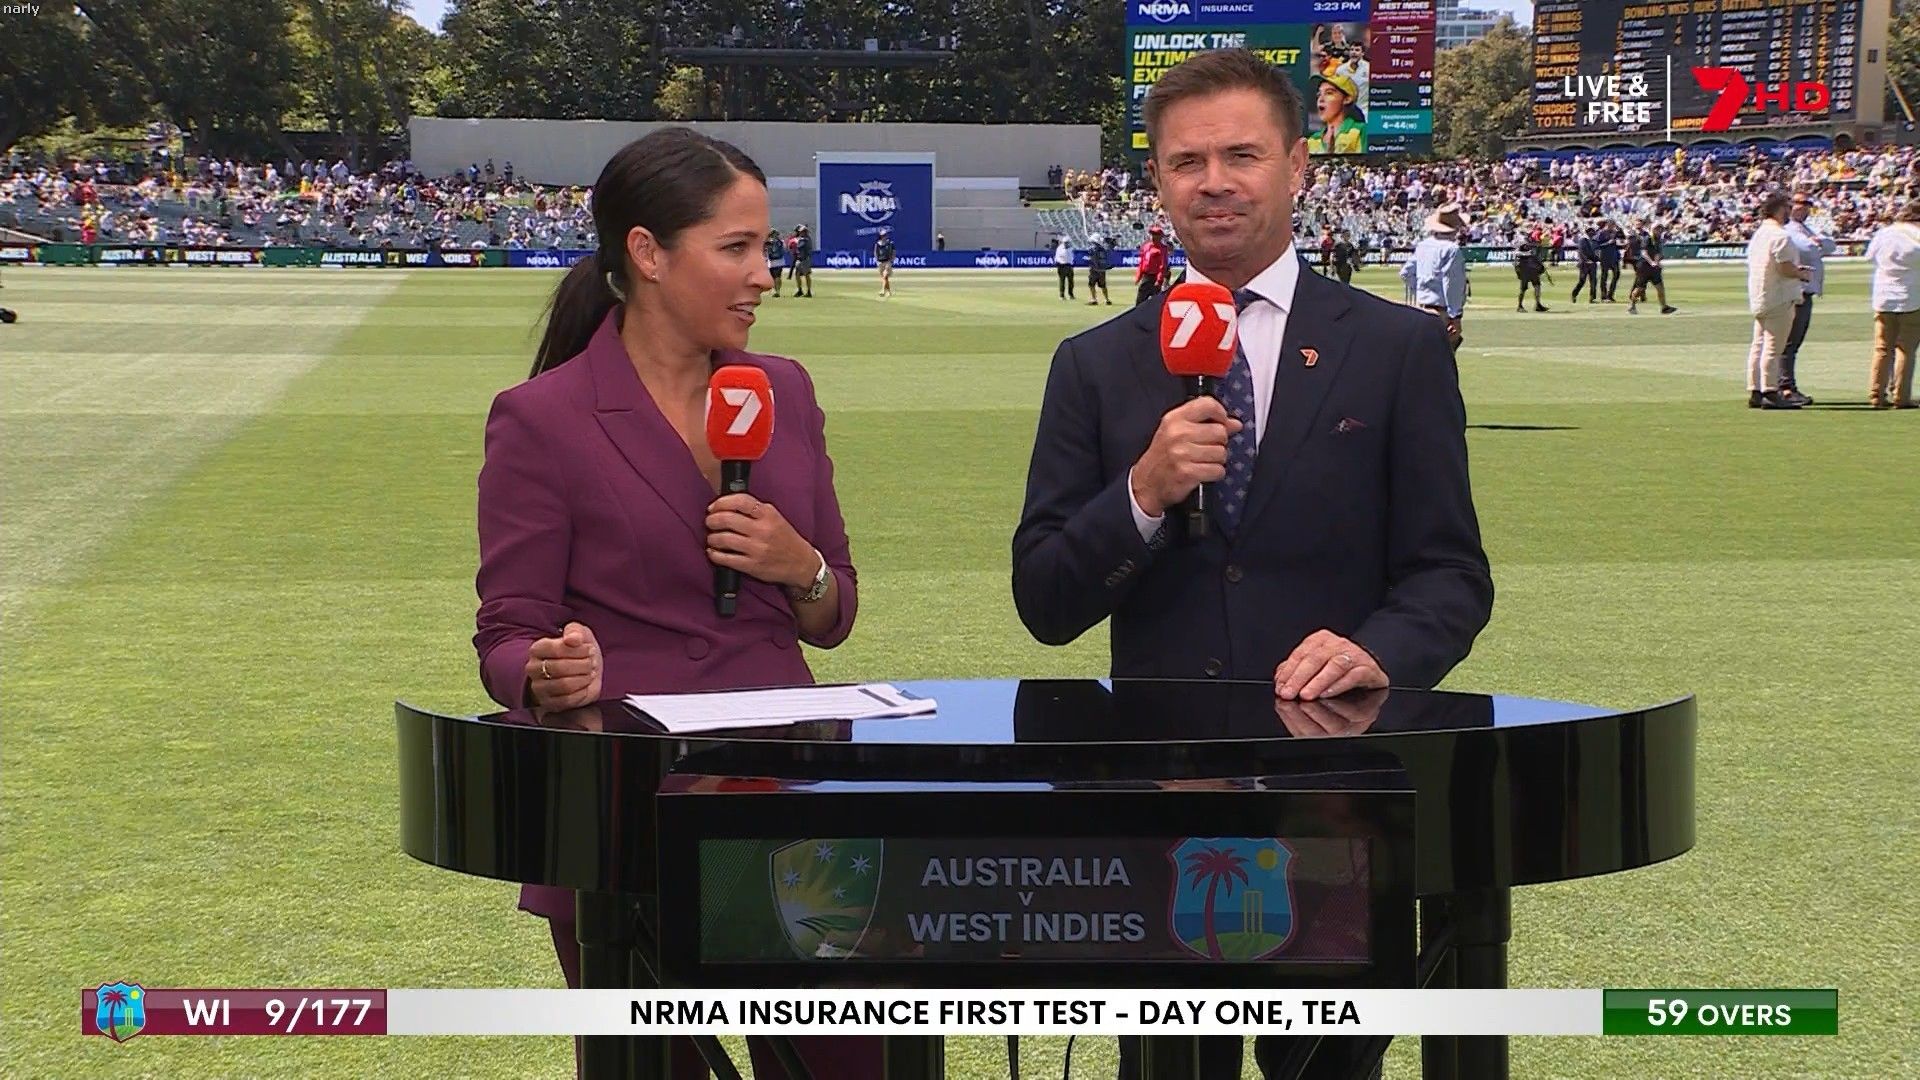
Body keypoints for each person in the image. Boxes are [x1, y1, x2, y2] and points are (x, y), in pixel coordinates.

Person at [1011, 49, 1492, 1080]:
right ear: (1158, 180)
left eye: (1242, 155)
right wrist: (1142, 495)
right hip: (1159, 800)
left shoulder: (1397, 350)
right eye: (1187, 162)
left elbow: (1450, 576)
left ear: (1299, 166)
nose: (1214, 182)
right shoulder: (1095, 365)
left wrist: (1376, 651)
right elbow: (1044, 600)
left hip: (1336, 799)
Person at [473, 127, 874, 1079]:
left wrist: (800, 566)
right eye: (736, 248)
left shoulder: (784, 390)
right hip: (623, 810)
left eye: (765, 246)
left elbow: (836, 612)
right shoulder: (543, 419)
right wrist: (543, 671)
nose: (765, 274)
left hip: (786, 798)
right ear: (648, 254)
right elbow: (506, 632)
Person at [1744, 189, 1810, 410]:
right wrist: (1801, 274)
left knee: (1758, 345)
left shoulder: (1759, 234)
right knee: (1774, 346)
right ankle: (1770, 391)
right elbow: (1784, 268)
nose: (1790, 212)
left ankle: (1755, 390)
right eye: (1788, 208)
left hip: (1760, 295)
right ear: (1780, 209)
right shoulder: (1781, 236)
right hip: (1779, 296)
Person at [1779, 192, 1835, 405]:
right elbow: (1808, 248)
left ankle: (1781, 385)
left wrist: (1818, 242)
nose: (1804, 207)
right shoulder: (1788, 229)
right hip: (1796, 291)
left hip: (1804, 290)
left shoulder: (1807, 229)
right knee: (1789, 342)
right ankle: (1785, 387)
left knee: (1792, 341)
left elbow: (1830, 245)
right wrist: (1817, 244)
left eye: (1808, 204)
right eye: (1800, 203)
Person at [1864, 199, 1920, 409]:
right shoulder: (1916, 236)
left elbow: (1869, 257)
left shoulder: (1884, 234)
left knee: (1882, 348)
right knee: (1906, 349)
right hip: (1911, 297)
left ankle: (1876, 394)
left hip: (1884, 297)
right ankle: (1901, 396)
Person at [1412, 203, 1468, 352]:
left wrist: (1418, 294)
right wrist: (1455, 316)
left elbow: (1406, 273)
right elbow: (1450, 283)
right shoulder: (1451, 249)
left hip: (1421, 308)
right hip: (1441, 312)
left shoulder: (1422, 245)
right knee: (1442, 359)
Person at [1626, 221, 1676, 317]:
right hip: (1644, 267)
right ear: (1653, 230)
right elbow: (1644, 253)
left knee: (1660, 288)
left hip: (1654, 268)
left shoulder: (1658, 240)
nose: (1660, 231)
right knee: (1640, 289)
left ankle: (1664, 307)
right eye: (1658, 229)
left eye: (1661, 229)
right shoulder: (1647, 239)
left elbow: (1658, 253)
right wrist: (1651, 262)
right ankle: (1632, 305)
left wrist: (1657, 262)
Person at [1308, 72, 1365, 154]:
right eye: (1319, 94)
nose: (1321, 99)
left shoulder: (1361, 131)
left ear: (1347, 99)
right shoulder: (1312, 140)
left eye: (1329, 93)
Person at [1134, 223, 1170, 305]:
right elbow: (1142, 262)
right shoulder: (1146, 246)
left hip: (1155, 277)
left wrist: (1159, 280)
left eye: (1156, 235)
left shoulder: (1162, 249)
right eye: (1152, 234)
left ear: (1160, 236)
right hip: (1146, 277)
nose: (1153, 236)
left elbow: (1162, 265)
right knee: (1140, 302)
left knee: (1155, 303)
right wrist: (1138, 276)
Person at [1514, 228, 1547, 312]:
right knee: (1523, 288)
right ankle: (1520, 306)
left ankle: (1538, 304)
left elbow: (1532, 255)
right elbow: (1518, 254)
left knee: (1537, 285)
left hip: (1531, 267)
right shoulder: (1522, 242)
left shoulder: (1527, 241)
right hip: (1524, 268)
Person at [1572, 223, 1600, 303]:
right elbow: (1581, 252)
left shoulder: (1595, 241)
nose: (1592, 233)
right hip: (1584, 264)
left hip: (1593, 264)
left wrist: (1597, 259)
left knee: (1593, 281)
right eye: (1590, 231)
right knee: (1582, 281)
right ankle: (1574, 294)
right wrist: (1586, 260)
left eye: (1593, 231)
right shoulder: (1582, 240)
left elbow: (1597, 252)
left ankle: (1592, 298)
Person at [1597, 220, 1622, 301]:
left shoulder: (1615, 232)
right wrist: (1608, 243)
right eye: (1611, 225)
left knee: (1616, 274)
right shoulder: (1601, 233)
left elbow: (1622, 238)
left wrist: (1620, 230)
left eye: (1613, 225)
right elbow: (1598, 245)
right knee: (1604, 276)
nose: (1612, 227)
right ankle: (1603, 295)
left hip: (1614, 257)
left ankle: (1610, 294)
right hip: (1605, 257)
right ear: (1607, 225)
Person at [1085, 234, 1113, 305]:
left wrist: (1088, 259)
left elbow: (1093, 258)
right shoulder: (1103, 249)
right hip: (1102, 270)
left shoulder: (1092, 249)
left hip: (1095, 269)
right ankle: (1107, 299)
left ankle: (1094, 299)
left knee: (1091, 284)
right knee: (1103, 285)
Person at [789, 222, 814, 297]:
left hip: (805, 259)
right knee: (797, 275)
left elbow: (799, 246)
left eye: (801, 232)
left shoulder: (805, 239)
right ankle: (800, 290)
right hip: (800, 259)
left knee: (806, 275)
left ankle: (808, 291)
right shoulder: (803, 238)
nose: (799, 233)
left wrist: (795, 241)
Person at [763, 227, 787, 297]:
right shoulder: (780, 241)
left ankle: (776, 291)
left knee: (775, 277)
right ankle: (777, 291)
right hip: (779, 261)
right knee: (777, 276)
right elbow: (784, 249)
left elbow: (767, 250)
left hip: (774, 261)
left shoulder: (770, 241)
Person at [874, 226, 896, 298]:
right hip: (880, 262)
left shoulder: (890, 243)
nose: (884, 236)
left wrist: (892, 260)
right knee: (885, 278)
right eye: (883, 235)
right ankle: (889, 292)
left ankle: (883, 290)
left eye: (885, 235)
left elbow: (893, 252)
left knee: (885, 275)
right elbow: (875, 253)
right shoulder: (878, 244)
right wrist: (877, 261)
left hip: (887, 261)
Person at [1053, 233, 1076, 300]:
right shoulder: (1059, 248)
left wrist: (1071, 263)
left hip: (1069, 266)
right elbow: (1057, 258)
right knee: (1062, 281)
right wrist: (1059, 264)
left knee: (1071, 281)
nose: (1068, 244)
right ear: (1064, 242)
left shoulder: (1071, 248)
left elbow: (1072, 256)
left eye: (1068, 242)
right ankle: (1062, 295)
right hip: (1062, 266)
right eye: (1066, 242)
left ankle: (1071, 294)